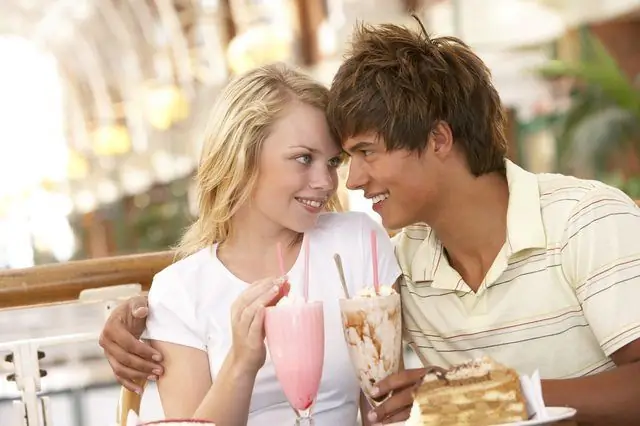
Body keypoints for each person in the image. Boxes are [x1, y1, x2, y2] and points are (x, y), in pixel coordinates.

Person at [101, 21, 640, 425]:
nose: (348, 181)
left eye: (359, 154)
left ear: (438, 139)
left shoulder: (587, 222)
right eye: (325, 158)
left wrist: (501, 394)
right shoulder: (406, 259)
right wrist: (130, 319)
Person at [100, 63, 402, 426]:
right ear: (243, 156)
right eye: (304, 158)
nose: (326, 181)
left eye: (333, 161)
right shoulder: (179, 292)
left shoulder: (356, 242)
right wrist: (242, 362)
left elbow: (387, 411)